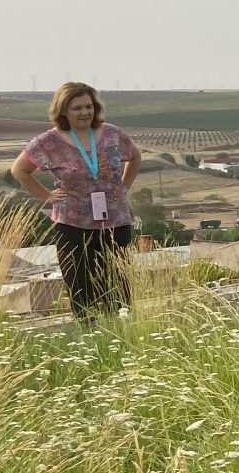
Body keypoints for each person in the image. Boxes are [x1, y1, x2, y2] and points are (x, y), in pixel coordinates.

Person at [11, 82, 142, 322]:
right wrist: (47, 197)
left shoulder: (112, 134)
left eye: (88, 106)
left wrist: (124, 187)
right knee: (80, 281)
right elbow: (20, 170)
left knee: (118, 279)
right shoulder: (48, 141)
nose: (85, 112)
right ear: (63, 111)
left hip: (114, 219)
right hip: (72, 222)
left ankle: (122, 327)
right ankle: (89, 332)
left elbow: (135, 157)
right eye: (77, 108)